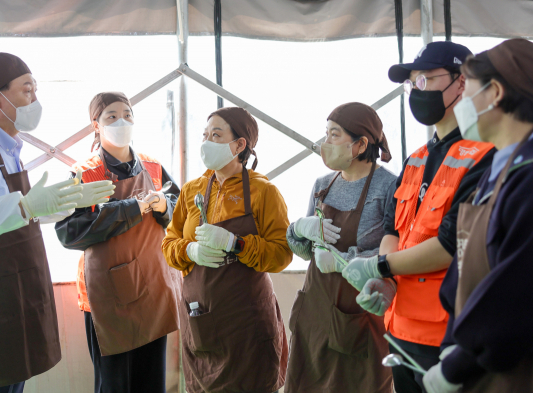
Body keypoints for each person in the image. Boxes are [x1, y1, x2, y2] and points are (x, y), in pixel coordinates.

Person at [0, 53, 114, 392]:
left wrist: (62, 203)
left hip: (3, 286)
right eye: (26, 90)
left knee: (10, 383)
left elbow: (9, 211)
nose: (35, 100)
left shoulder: (7, 144)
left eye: (36, 90)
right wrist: (25, 206)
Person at [339, 42, 496, 393]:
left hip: (449, 336)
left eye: (426, 79)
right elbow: (395, 227)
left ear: (462, 83)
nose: (416, 91)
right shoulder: (416, 159)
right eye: (412, 83)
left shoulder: (485, 156)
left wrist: (381, 267)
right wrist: (387, 281)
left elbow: (450, 244)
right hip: (400, 329)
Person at [423, 39, 533, 393]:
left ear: (496, 92)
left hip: (528, 365)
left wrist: (458, 364)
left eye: (467, 89)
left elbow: (523, 290)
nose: (462, 104)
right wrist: (453, 342)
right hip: (483, 358)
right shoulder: (502, 164)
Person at [55, 92, 182, 393]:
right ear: (95, 126)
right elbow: (68, 230)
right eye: (111, 116)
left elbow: (180, 210)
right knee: (114, 385)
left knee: (151, 382)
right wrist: (129, 209)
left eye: (126, 114)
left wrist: (165, 204)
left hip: (151, 288)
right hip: (107, 298)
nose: (121, 121)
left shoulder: (152, 166)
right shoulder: (84, 172)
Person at [162, 107, 292, 393]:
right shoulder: (190, 190)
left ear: (239, 145)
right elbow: (168, 244)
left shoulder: (263, 191)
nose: (206, 141)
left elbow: (281, 253)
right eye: (205, 135)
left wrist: (237, 243)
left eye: (216, 135)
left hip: (247, 325)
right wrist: (190, 250)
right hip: (201, 323)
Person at [284, 103, 396, 392]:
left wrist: (343, 260)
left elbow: (395, 254)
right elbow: (306, 251)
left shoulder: (389, 187)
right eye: (326, 133)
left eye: (335, 135)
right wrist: (298, 229)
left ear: (360, 144)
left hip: (357, 316)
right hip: (315, 314)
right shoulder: (323, 184)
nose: (326, 143)